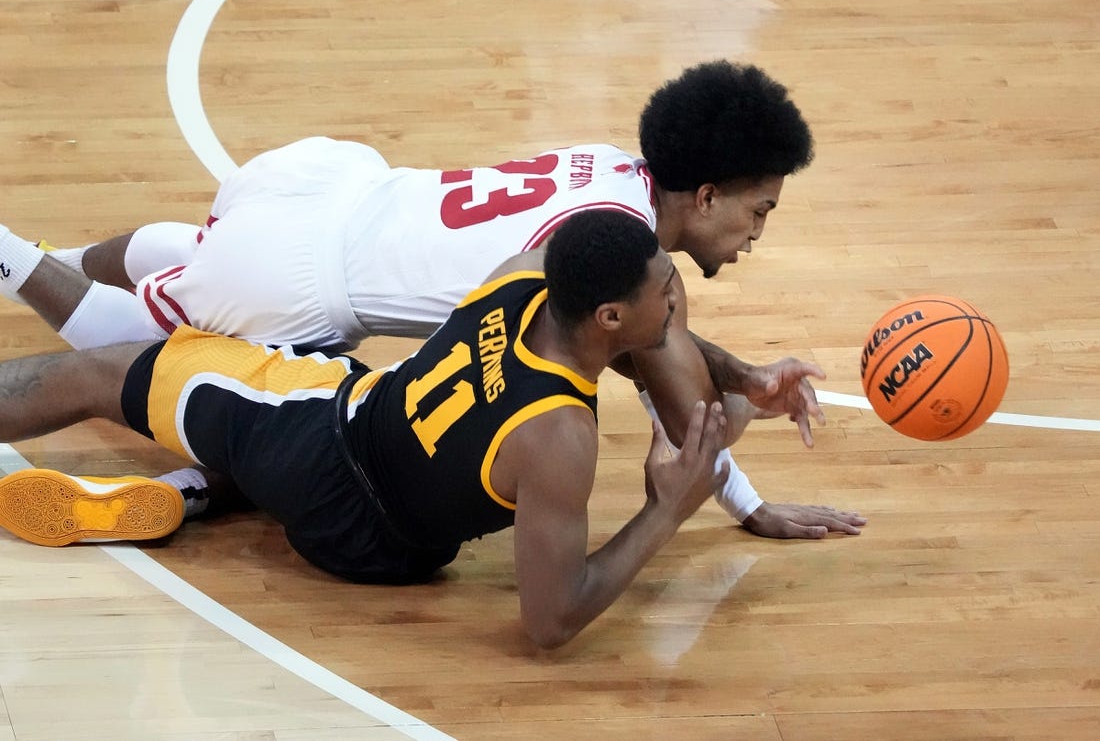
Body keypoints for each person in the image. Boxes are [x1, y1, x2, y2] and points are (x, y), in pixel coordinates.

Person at [0, 60, 866, 539]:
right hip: (299, 279)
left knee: (182, 266)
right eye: (759, 211)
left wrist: (745, 374)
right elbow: (683, 402)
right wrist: (749, 506)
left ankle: (63, 267)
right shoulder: (633, 262)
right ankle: (12, 256)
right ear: (706, 196)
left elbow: (658, 347)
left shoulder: (614, 172)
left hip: (320, 184)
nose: (759, 234)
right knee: (124, 359)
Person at [0, 211, 734, 649]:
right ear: (608, 319)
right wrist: (667, 506)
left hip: (333, 449)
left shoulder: (525, 272)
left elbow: (550, 622)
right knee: (227, 372)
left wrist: (737, 391)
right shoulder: (557, 436)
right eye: (664, 287)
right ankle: (196, 490)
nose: (676, 296)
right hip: (371, 515)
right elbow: (552, 619)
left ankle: (219, 473)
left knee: (117, 370)